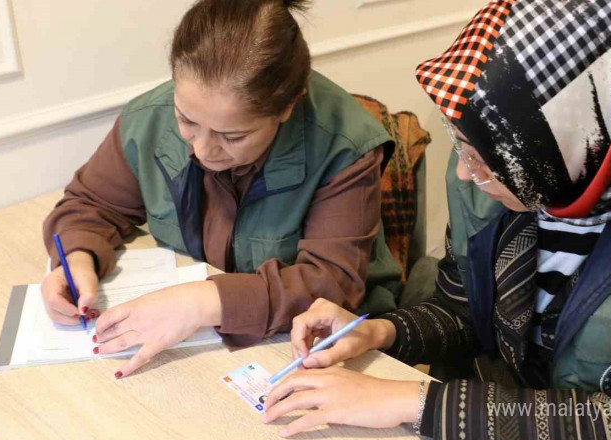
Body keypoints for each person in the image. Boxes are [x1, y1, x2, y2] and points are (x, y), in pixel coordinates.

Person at [263, 1, 611, 438]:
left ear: (585, 137)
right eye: (462, 147)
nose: (462, 171)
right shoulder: (513, 165)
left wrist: (410, 402)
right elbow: (463, 313)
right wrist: (378, 332)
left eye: (480, 159)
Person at [40, 0, 402, 379]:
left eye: (233, 136)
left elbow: (333, 283)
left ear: (287, 106)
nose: (202, 149)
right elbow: (91, 203)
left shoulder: (344, 147)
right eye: (186, 120)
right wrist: (79, 255)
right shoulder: (147, 119)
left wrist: (202, 301)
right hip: (203, 347)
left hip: (319, 347)